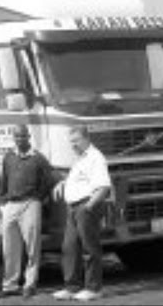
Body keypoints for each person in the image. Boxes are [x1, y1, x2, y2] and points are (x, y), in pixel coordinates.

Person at [51, 125, 111, 301]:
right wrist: (62, 184)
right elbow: (77, 179)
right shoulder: (79, 159)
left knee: (89, 248)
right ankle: (72, 287)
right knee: (69, 247)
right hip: (73, 208)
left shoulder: (95, 158)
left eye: (76, 141)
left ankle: (94, 288)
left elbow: (104, 187)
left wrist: (89, 206)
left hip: (85, 207)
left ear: (86, 138)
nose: (73, 145)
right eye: (71, 142)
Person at [0, 124, 54, 299]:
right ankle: (10, 285)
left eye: (23, 136)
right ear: (13, 138)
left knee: (32, 246)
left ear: (28, 137)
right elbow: (4, 180)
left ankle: (30, 284)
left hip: (31, 203)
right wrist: (3, 202)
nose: (20, 139)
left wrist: (38, 197)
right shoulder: (8, 157)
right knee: (9, 247)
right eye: (17, 136)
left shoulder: (38, 158)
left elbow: (49, 179)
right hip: (11, 204)